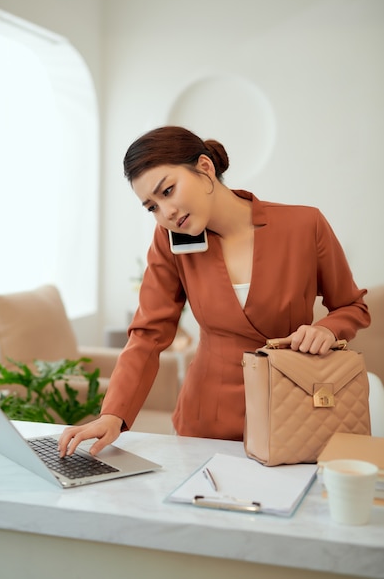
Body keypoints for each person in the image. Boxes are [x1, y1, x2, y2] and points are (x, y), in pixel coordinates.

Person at [58, 126, 370, 457]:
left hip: (291, 411)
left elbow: (352, 307)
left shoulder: (304, 226)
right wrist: (113, 414)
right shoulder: (170, 242)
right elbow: (149, 333)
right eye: (152, 207)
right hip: (205, 420)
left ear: (205, 168)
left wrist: (326, 329)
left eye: (168, 191)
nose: (166, 214)